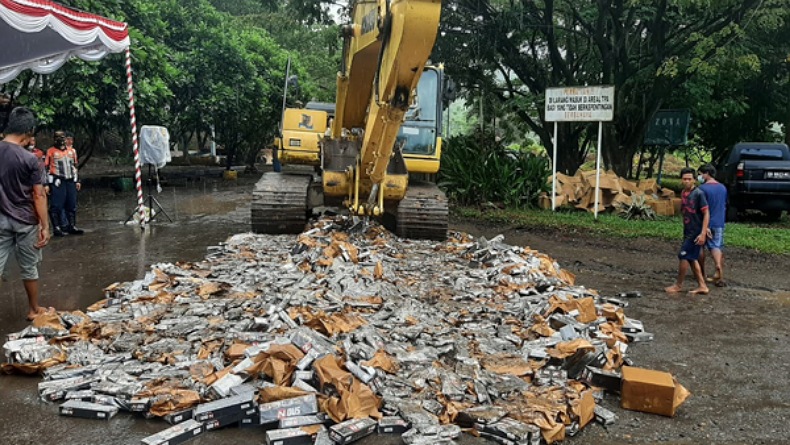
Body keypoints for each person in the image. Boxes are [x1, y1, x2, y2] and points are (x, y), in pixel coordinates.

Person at [0, 107, 54, 320]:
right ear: (28, 132)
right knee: (29, 267)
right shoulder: (30, 159)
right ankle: (33, 309)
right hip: (25, 220)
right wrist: (45, 226)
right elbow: (39, 195)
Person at [665, 167, 710, 295]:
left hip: (696, 232)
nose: (687, 181)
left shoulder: (699, 194)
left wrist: (703, 232)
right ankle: (702, 285)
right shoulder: (684, 193)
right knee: (691, 258)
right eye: (684, 179)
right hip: (687, 230)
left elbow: (706, 213)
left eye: (689, 179)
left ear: (694, 180)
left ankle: (678, 285)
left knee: (683, 255)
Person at [45, 131, 84, 236]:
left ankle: (71, 226)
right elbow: (46, 168)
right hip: (58, 181)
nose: (60, 139)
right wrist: (47, 184)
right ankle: (57, 228)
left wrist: (77, 180)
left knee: (71, 204)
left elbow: (75, 167)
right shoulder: (50, 152)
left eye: (62, 137)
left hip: (70, 180)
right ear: (54, 139)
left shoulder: (72, 151)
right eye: (58, 137)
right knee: (56, 205)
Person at [698, 163, 728, 286]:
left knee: (700, 247)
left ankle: (702, 273)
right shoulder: (723, 188)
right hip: (719, 222)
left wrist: (705, 227)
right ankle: (718, 267)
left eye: (700, 174)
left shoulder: (702, 189)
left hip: (706, 223)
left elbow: (701, 208)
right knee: (716, 247)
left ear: (706, 174)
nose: (699, 177)